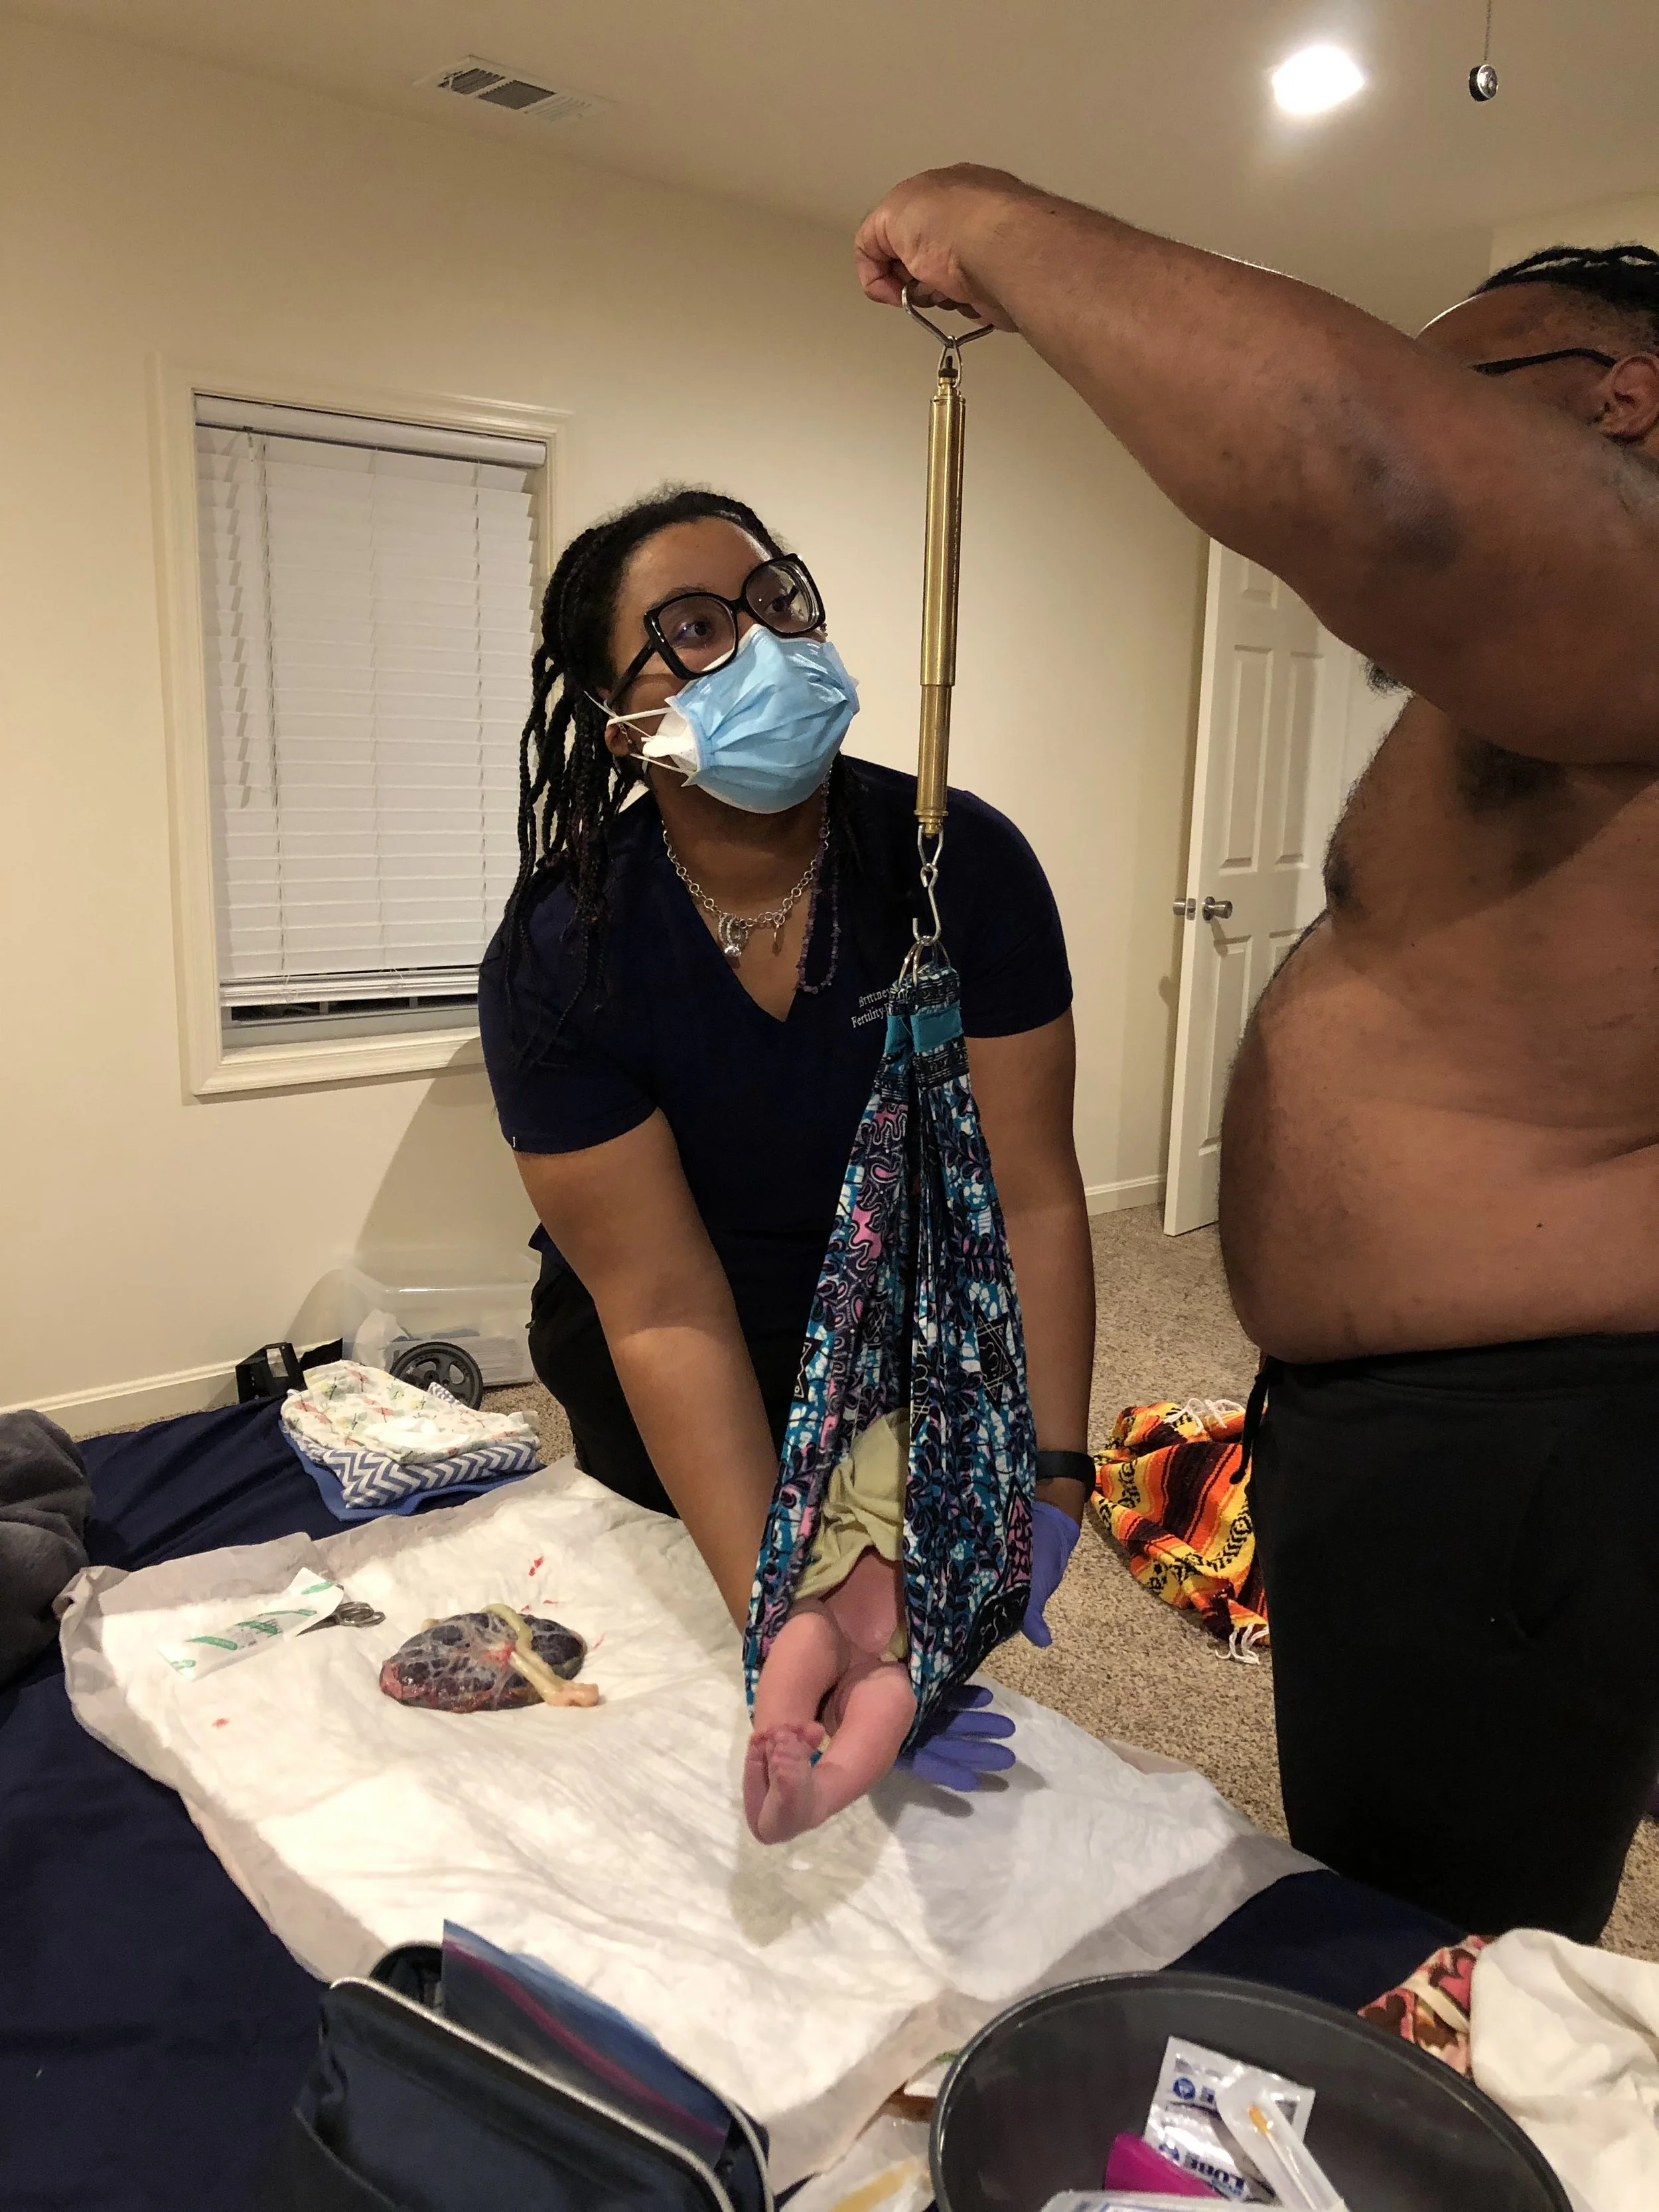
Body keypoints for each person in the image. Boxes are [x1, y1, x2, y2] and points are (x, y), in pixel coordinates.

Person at [855, 168, 1659, 1939]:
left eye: (1459, 382)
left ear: (1623, 392)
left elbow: (1373, 477)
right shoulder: (1562, 674)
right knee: (1374, 1872)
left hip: (1521, 1445)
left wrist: (993, 222)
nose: (1429, 412)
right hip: (1425, 1431)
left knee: (1428, 1947)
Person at [477, 486, 1098, 1788]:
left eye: (778, 603)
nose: (767, 645)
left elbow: (1029, 1192)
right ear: (620, 726)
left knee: (907, 1633)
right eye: (698, 627)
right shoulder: (564, 953)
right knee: (710, 1669)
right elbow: (662, 1308)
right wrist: (779, 1609)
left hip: (897, 1328)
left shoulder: (958, 865)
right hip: (678, 1346)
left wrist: (1048, 1466)